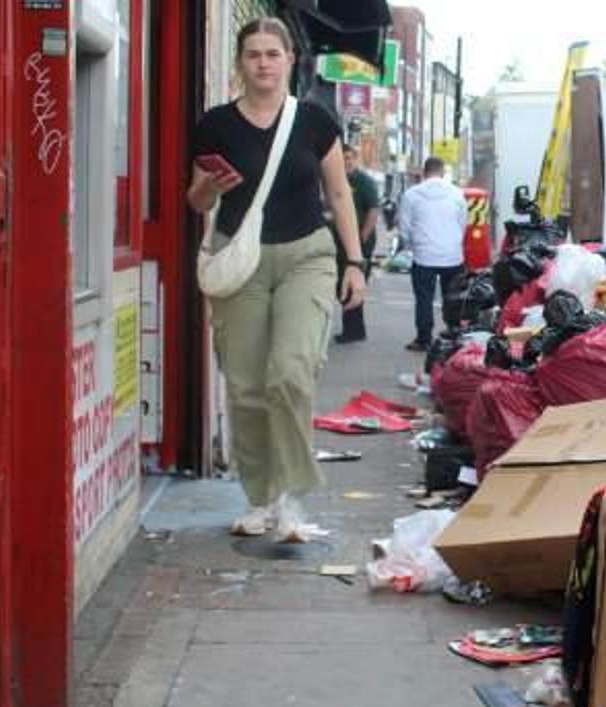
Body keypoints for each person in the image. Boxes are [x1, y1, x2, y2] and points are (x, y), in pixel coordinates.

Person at [186, 17, 366, 543]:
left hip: (307, 257)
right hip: (240, 260)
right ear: (240, 64)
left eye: (273, 53)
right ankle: (260, 498)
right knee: (245, 385)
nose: (263, 63)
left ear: (290, 60)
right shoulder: (217, 124)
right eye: (253, 54)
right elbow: (194, 200)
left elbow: (339, 195)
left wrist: (355, 263)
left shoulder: (313, 120)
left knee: (289, 372)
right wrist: (211, 187)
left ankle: (290, 500)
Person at [397, 157, 466, 351]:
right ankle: (453, 333)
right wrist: (453, 243)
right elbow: (462, 223)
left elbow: (404, 227)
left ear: (424, 173)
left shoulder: (411, 195)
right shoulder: (456, 194)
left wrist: (412, 246)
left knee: (424, 298)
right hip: (452, 255)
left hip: (424, 256)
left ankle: (424, 338)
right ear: (442, 172)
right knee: (452, 297)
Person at [333, 142, 380, 343]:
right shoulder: (335, 179)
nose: (347, 162)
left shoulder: (363, 182)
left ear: (355, 159)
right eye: (343, 159)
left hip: (358, 244)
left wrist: (361, 238)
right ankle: (356, 329)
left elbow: (373, 212)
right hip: (339, 244)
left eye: (349, 158)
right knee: (342, 286)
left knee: (351, 286)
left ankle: (352, 331)